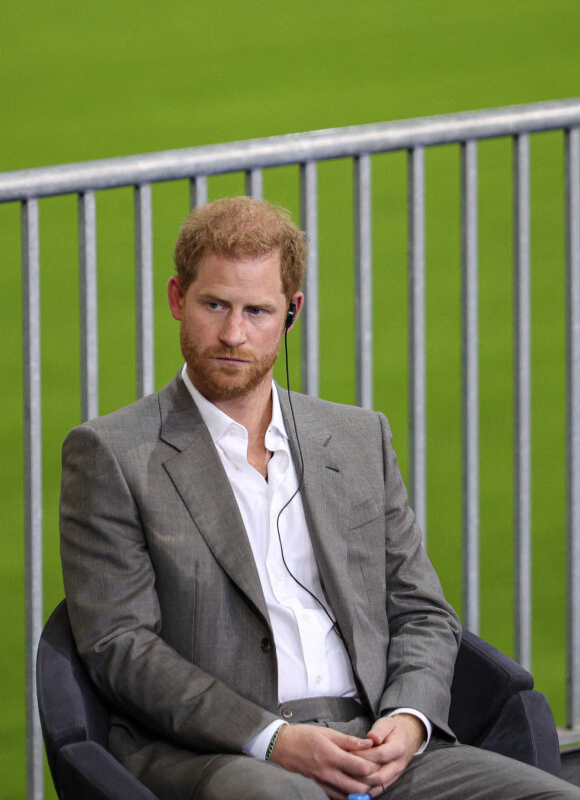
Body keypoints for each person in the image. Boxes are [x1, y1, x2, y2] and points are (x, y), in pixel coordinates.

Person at [60, 196, 579, 800]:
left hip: (376, 745)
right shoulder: (109, 453)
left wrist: (408, 722)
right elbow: (120, 646)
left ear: (291, 314)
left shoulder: (360, 439)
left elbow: (422, 612)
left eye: (258, 311)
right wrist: (273, 737)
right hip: (225, 755)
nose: (233, 333)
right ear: (178, 298)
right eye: (214, 305)